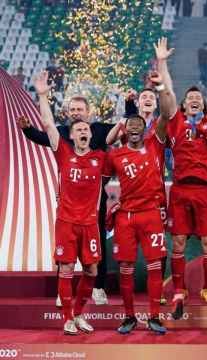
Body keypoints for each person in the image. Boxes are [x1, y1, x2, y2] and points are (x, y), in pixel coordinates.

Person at [154, 37, 207, 319]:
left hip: (204, 192)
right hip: (179, 191)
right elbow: (166, 94)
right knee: (177, 243)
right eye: (189, 98)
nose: (193, 99)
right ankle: (179, 293)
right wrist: (163, 62)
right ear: (184, 105)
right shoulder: (175, 121)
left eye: (197, 98)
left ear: (203, 104)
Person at [30, 72, 108, 335]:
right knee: (65, 267)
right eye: (79, 131)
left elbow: (123, 139)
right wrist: (42, 96)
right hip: (66, 222)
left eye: (86, 129)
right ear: (72, 136)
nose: (83, 132)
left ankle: (79, 314)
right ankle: (67, 318)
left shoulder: (100, 158)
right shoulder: (63, 153)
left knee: (92, 269)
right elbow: (49, 125)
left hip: (90, 224)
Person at [19, 96, 115, 308]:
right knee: (66, 253)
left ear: (88, 112)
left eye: (80, 109)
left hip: (93, 206)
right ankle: (64, 293)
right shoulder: (62, 136)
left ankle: (98, 288)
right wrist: (27, 130)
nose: (76, 113)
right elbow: (44, 135)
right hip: (68, 207)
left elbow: (121, 131)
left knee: (96, 253)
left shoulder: (98, 130)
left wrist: (130, 108)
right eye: (72, 109)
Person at [107, 66, 171, 334]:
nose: (135, 127)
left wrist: (159, 87)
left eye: (139, 125)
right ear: (125, 129)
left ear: (144, 130)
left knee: (155, 264)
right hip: (126, 217)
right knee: (126, 266)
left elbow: (167, 113)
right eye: (130, 124)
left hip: (151, 214)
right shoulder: (116, 155)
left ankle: (154, 316)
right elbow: (96, 174)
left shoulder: (155, 144)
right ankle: (129, 316)